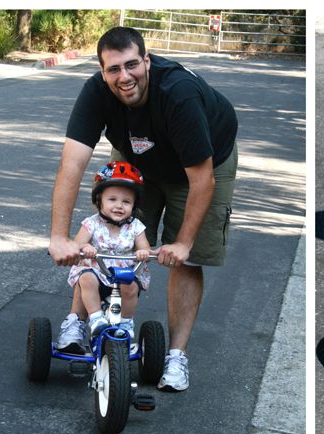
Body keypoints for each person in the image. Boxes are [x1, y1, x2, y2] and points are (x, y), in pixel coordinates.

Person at [48, 26, 239, 392]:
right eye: (113, 69)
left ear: (147, 61)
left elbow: (202, 180)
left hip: (201, 166)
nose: (124, 77)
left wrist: (182, 243)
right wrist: (59, 237)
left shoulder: (178, 96)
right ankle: (85, 322)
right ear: (102, 72)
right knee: (108, 241)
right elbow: (71, 164)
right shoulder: (96, 92)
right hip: (138, 157)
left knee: (187, 258)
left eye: (132, 65)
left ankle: (176, 357)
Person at [55, 161, 151, 353]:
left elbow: (145, 249)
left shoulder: (136, 227)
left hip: (124, 272)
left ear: (134, 205)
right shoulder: (91, 224)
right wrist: (86, 246)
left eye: (126, 201)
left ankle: (126, 323)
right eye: (112, 199)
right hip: (97, 271)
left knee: (131, 285)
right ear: (99, 200)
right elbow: (78, 243)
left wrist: (143, 252)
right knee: (86, 278)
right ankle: (96, 318)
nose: (119, 206)